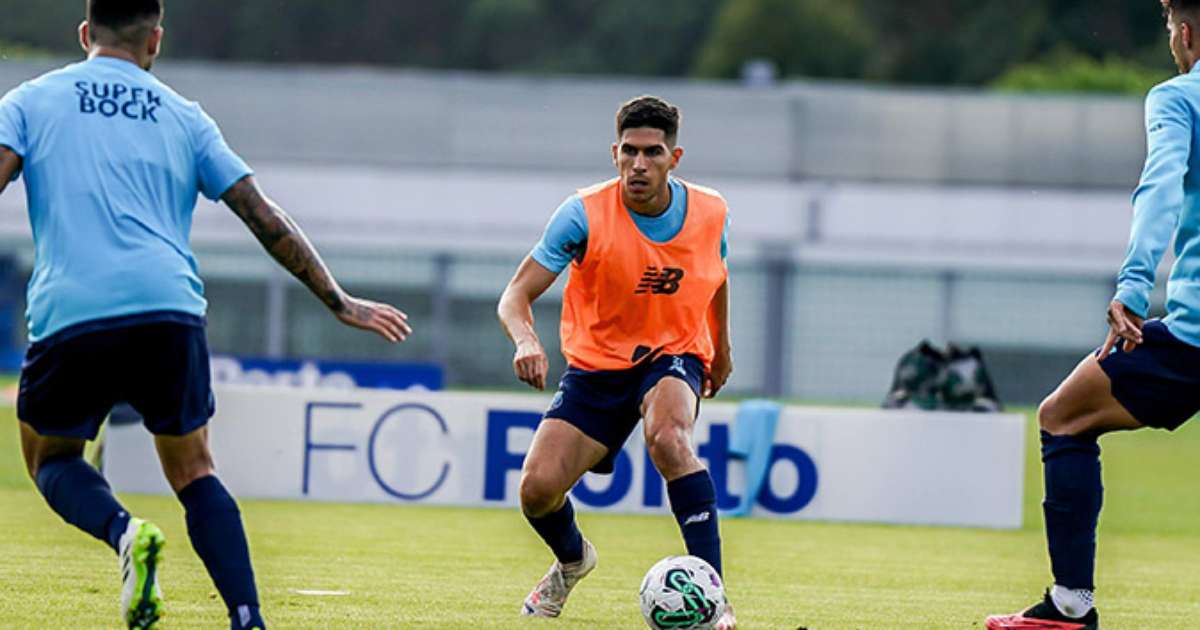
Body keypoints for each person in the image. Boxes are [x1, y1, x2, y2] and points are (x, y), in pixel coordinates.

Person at [0, 1, 412, 629]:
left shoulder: (29, 101)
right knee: (194, 470)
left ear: (85, 33)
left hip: (74, 310)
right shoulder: (184, 116)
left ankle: (123, 532)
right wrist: (340, 301)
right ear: (155, 41)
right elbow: (263, 216)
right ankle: (247, 618)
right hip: (170, 309)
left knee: (53, 460)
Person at [985, 2, 1200, 629]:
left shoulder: (1179, 98)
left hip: (1193, 335)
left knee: (1063, 417)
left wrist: (1133, 288)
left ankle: (1069, 605)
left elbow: (1160, 188)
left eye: (1169, 30)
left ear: (1184, 33)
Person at [497, 95, 736, 628]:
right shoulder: (581, 213)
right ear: (614, 153)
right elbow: (514, 297)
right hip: (598, 367)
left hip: (674, 352)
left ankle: (717, 603)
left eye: (652, 153)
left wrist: (720, 349)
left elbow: (716, 276)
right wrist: (525, 341)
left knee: (670, 438)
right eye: (629, 152)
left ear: (675, 159)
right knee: (537, 491)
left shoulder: (711, 210)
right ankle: (573, 559)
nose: (639, 165)